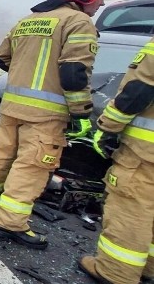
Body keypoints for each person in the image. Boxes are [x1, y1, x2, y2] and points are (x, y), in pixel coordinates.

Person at [0, 0, 127, 250]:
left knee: (2, 154)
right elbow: (74, 73)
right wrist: (80, 113)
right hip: (45, 114)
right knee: (31, 167)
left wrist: (25, 77)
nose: (101, 4)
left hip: (12, 106)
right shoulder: (79, 23)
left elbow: (1, 57)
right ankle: (9, 223)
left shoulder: (29, 20)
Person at [78, 37, 153, 284]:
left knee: (132, 208)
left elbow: (139, 89)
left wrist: (108, 127)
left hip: (146, 152)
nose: (100, 4)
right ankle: (148, 266)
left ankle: (115, 272)